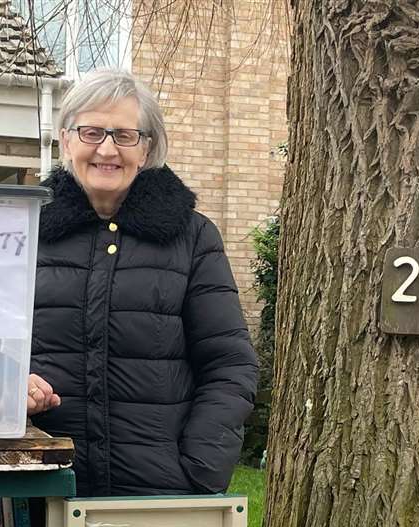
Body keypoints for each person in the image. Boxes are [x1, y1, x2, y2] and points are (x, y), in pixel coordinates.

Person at [27, 69, 259, 497]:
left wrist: (199, 469)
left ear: (147, 146)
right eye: (92, 131)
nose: (107, 149)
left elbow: (230, 365)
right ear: (66, 139)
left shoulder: (191, 238)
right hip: (40, 486)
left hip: (159, 496)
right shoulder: (24, 233)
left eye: (125, 135)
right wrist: (9, 387)